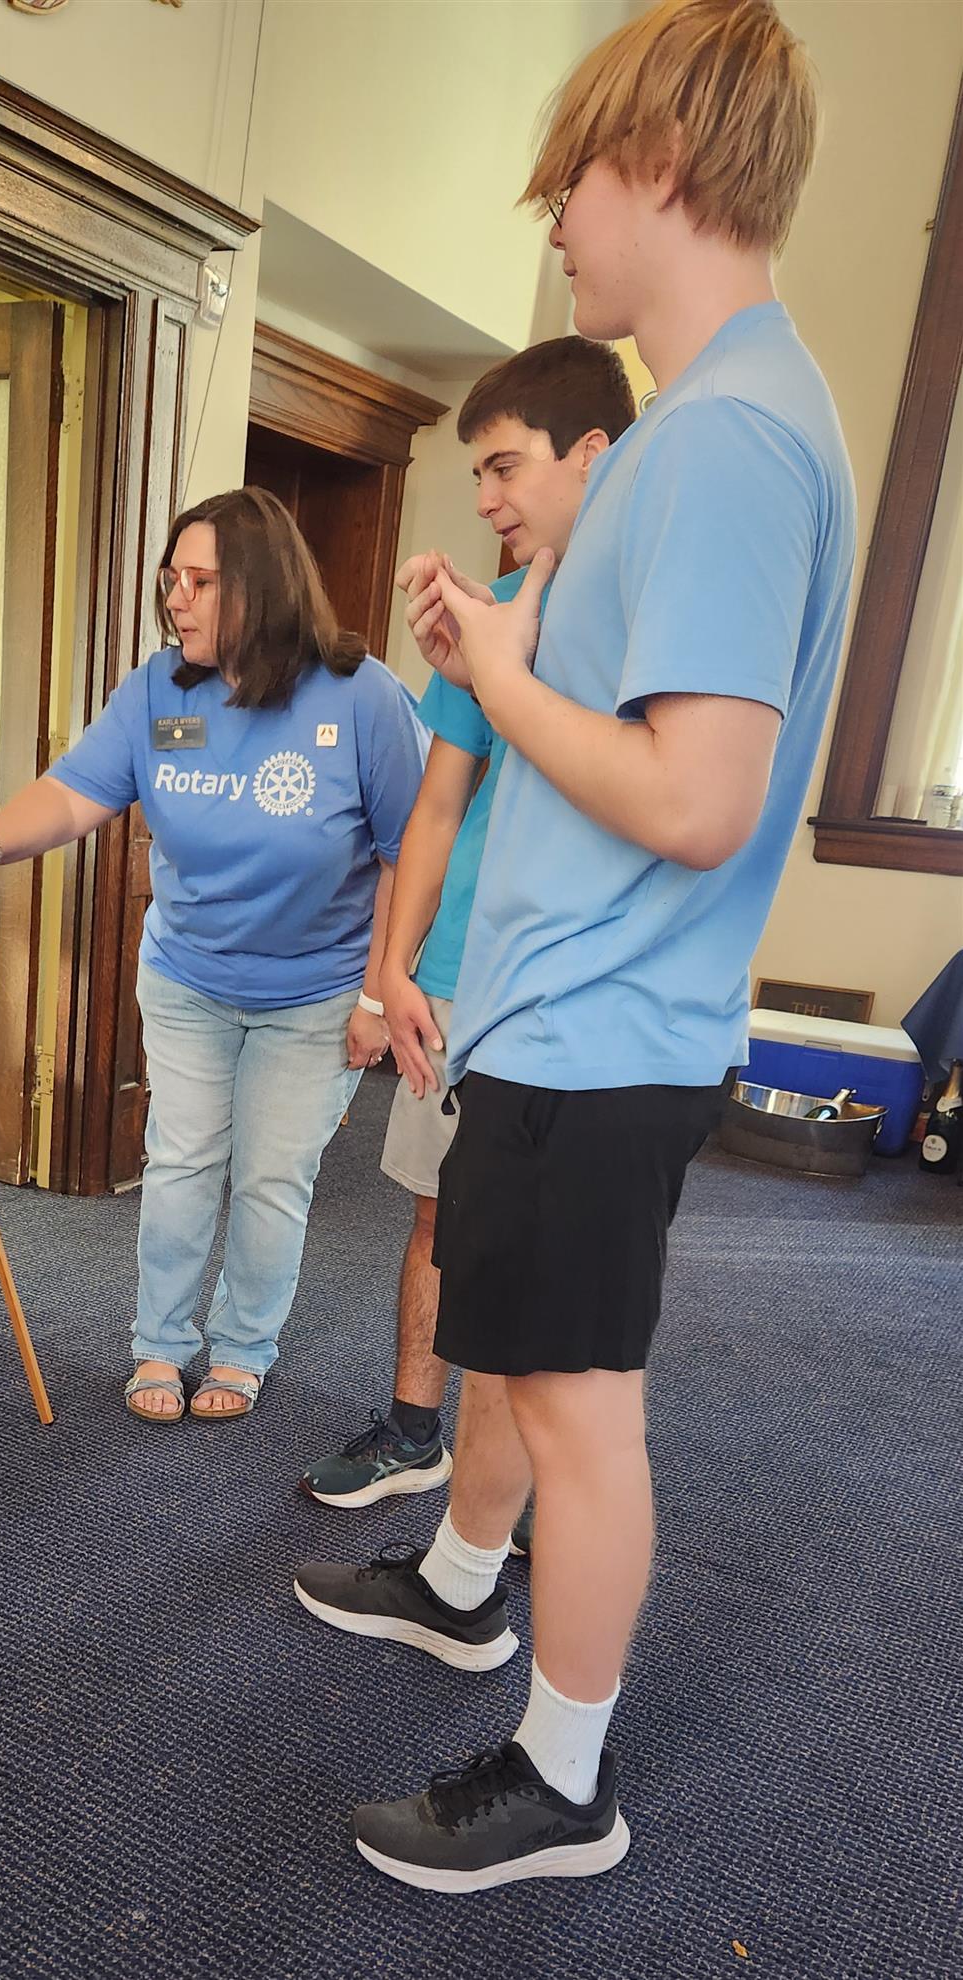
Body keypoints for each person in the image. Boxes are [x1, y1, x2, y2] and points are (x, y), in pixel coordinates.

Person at [295, 0, 853, 1891]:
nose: (550, 225)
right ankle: (466, 1595)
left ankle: (561, 1786)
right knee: (532, 1374)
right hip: (568, 1014)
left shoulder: (724, 440)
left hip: (604, 1026)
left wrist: (506, 675)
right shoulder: (704, 428)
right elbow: (617, 728)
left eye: (568, 187)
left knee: (579, 1412)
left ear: (663, 166)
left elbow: (694, 796)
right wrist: (514, 647)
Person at [0, 487, 425, 1422]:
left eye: (202, 581)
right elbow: (76, 792)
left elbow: (407, 853)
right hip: (189, 976)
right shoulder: (158, 690)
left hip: (317, 990)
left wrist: (380, 996)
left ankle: (244, 1349)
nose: (176, 599)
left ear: (264, 584)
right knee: (181, 1163)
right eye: (171, 579)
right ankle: (161, 1344)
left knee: (271, 1178)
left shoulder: (362, 695)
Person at [299, 336, 635, 1511]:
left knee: (550, 1246)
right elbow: (435, 809)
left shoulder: (640, 623)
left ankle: (521, 1486)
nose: (484, 498)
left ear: (591, 454)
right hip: (452, 979)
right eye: (475, 474)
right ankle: (412, 1431)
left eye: (503, 467)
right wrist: (388, 972)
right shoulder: (481, 618)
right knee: (438, 1216)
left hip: (575, 992)